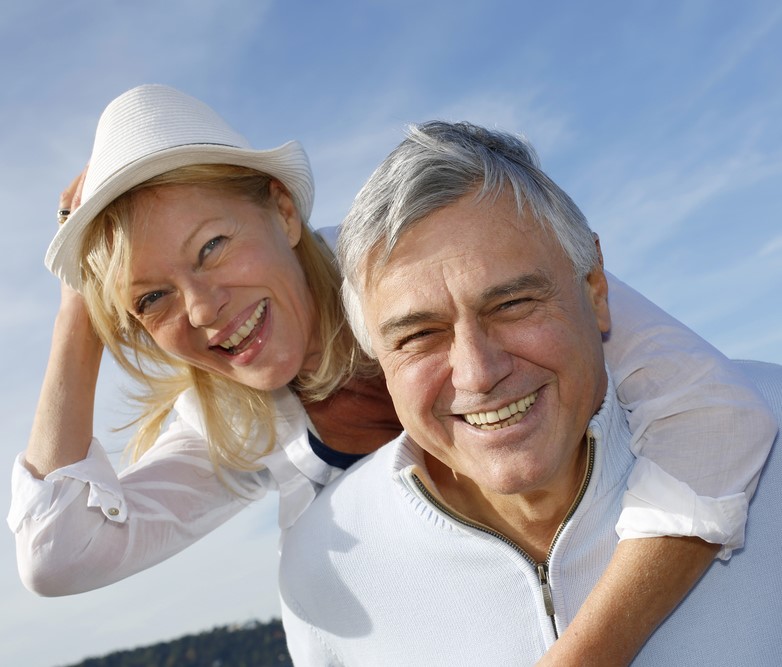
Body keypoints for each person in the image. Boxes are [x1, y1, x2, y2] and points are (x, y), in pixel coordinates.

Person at [7, 87, 775, 663]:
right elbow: (56, 552)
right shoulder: (234, 426)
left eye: (211, 246)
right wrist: (81, 304)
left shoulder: (423, 263)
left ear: (281, 210)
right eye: (152, 297)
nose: (203, 309)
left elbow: (716, 413)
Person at [278, 120, 782, 665]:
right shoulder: (322, 574)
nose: (477, 373)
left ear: (596, 291)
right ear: (376, 354)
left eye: (512, 305)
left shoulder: (770, 429)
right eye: (420, 334)